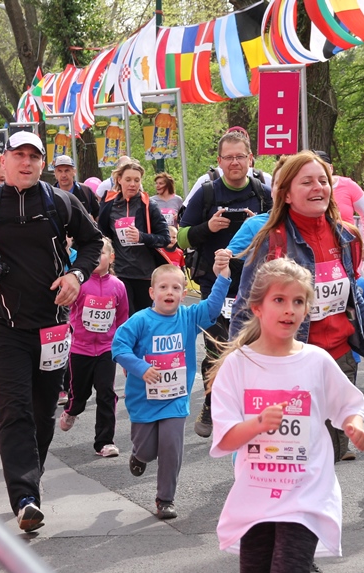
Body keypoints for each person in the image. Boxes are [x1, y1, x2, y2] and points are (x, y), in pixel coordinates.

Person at [208, 257, 364, 573]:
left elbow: (348, 404)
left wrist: (354, 425)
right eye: (279, 300)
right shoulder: (239, 365)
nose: (290, 309)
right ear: (257, 308)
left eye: (299, 301)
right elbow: (225, 438)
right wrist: (259, 423)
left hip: (307, 490)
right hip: (258, 493)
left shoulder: (316, 360)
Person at [0, 131, 103, 532]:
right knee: (14, 411)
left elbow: (93, 242)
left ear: (42, 163)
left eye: (35, 156)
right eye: (19, 155)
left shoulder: (60, 202)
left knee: (43, 413)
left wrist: (77, 275)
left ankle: (31, 476)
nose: (27, 162)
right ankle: (25, 499)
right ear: (5, 160)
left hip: (51, 327)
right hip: (2, 328)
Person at [232, 151, 364, 462]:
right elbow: (245, 307)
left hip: (339, 361)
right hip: (289, 363)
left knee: (332, 452)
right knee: (296, 455)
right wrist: (236, 368)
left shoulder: (345, 236)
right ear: (286, 194)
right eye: (307, 182)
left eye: (323, 181)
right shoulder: (272, 240)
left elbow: (354, 300)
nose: (318, 188)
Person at [112, 251, 232, 519]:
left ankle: (165, 499)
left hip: (175, 400)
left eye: (176, 288)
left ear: (184, 293)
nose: (170, 292)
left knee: (171, 448)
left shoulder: (188, 317)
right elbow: (119, 347)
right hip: (144, 399)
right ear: (152, 292)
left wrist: (222, 277)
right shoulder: (140, 321)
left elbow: (212, 307)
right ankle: (139, 455)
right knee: (147, 450)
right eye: (164, 287)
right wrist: (141, 368)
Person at [179, 129, 272, 438]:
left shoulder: (263, 193)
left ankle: (249, 409)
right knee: (217, 348)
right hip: (214, 285)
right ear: (219, 161)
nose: (235, 163)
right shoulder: (206, 193)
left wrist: (256, 224)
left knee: (255, 350)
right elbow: (180, 237)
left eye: (240, 157)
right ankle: (210, 404)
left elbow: (281, 229)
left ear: (251, 159)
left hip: (255, 285)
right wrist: (208, 226)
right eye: (228, 158)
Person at [58, 237, 129, 458]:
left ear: (112, 257)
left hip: (107, 349)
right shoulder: (80, 284)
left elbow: (123, 319)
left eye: (102, 253)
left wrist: (125, 352)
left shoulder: (118, 286)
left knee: (106, 393)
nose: (98, 258)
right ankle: (72, 411)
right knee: (79, 395)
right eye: (94, 253)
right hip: (80, 349)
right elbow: (63, 306)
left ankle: (105, 442)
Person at [97, 158, 170, 313]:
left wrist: (141, 237)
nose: (132, 184)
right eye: (128, 179)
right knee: (125, 316)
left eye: (137, 180)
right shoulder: (109, 204)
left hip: (144, 274)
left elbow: (165, 239)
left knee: (142, 318)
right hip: (120, 273)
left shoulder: (149, 205)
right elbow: (102, 235)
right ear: (119, 180)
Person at [314, 151, 364, 240]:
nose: (321, 173)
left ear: (331, 168)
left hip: (347, 243)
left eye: (324, 168)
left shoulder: (347, 185)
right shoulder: (307, 190)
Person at [52, 154, 100, 219]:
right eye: (60, 171)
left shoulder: (85, 191)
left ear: (74, 171)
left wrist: (92, 222)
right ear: (55, 173)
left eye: (67, 171)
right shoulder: (50, 194)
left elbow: (98, 214)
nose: (63, 175)